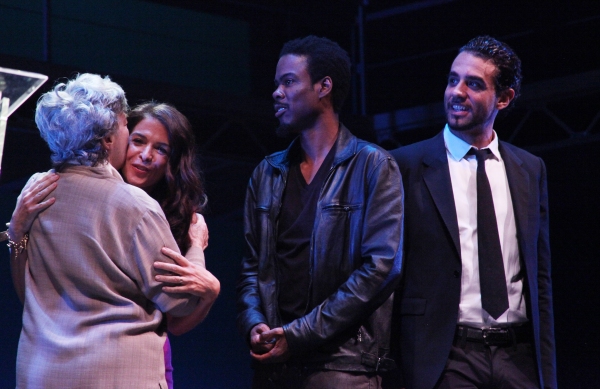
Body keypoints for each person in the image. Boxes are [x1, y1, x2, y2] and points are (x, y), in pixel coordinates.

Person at [7, 73, 216, 388]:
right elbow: (181, 303)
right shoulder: (137, 207)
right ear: (108, 139)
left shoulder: (36, 190)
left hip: (40, 373)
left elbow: (29, 294)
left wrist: (15, 236)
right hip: (116, 374)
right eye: (126, 127)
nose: (133, 140)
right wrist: (197, 249)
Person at [236, 35, 403, 388]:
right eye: (276, 83)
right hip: (275, 367)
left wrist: (299, 334)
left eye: (289, 81)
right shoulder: (267, 173)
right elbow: (253, 267)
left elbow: (380, 268)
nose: (277, 92)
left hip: (344, 366)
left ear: (324, 86)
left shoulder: (372, 165)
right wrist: (254, 322)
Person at [390, 36, 557, 389]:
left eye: (474, 84)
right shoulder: (405, 165)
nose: (457, 92)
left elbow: (539, 279)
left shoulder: (530, 168)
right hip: (446, 356)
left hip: (519, 356)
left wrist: (546, 372)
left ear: (504, 98)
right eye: (453, 80)